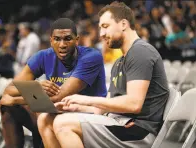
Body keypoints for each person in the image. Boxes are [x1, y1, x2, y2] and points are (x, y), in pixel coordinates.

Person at [40, 1, 169, 148]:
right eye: (100, 28)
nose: (101, 34)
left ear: (123, 24)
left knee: (63, 124)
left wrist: (86, 100)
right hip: (117, 121)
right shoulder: (120, 61)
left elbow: (134, 104)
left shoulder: (140, 51)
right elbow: (103, 109)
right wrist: (75, 107)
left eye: (105, 27)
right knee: (46, 118)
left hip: (137, 131)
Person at [0, 18, 107, 148]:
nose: (62, 44)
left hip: (88, 115)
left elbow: (58, 97)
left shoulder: (91, 57)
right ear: (51, 40)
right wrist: (37, 86)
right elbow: (9, 89)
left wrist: (15, 100)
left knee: (28, 108)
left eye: (67, 39)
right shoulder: (43, 56)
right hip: (55, 110)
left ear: (77, 40)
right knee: (8, 108)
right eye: (57, 39)